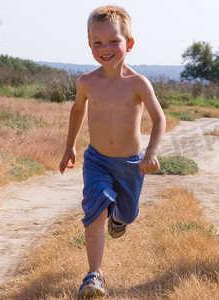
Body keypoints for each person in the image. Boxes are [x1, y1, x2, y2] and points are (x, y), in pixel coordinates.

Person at [59, 5, 166, 299]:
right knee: (95, 209)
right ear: (90, 45)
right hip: (97, 161)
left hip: (131, 164)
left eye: (114, 41)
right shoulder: (87, 82)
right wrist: (70, 146)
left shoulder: (138, 83)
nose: (105, 49)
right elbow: (77, 111)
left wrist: (151, 154)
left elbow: (159, 119)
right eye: (98, 43)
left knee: (127, 214)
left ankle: (118, 219)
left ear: (129, 44)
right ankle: (94, 275)